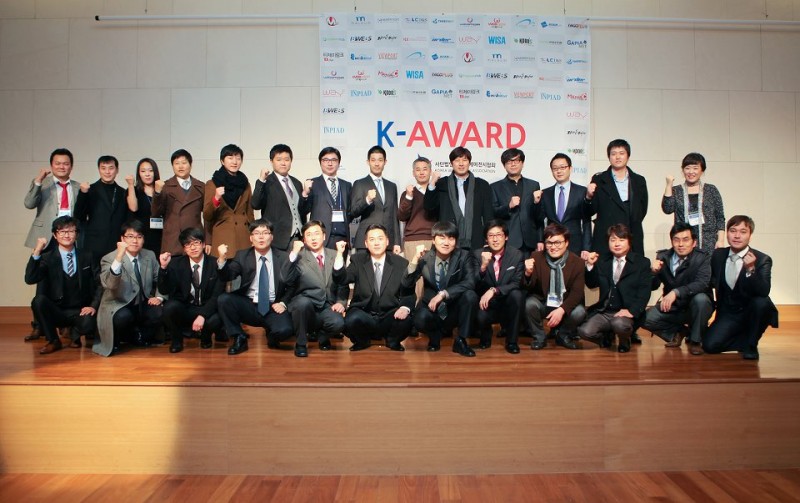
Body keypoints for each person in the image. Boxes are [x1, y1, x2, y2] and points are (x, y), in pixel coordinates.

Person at [23, 148, 80, 342]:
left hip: (68, 237)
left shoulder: (77, 187)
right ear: (51, 165)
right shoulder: (43, 184)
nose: (62, 166)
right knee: (42, 283)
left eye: (66, 163)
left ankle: (65, 323)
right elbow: (29, 203)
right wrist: (38, 181)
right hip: (46, 238)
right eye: (58, 163)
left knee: (68, 279)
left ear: (71, 166)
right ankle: (39, 325)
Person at [703, 215, 778, 360]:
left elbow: (764, 291)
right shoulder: (718, 255)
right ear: (727, 233)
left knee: (761, 302)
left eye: (743, 232)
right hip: (728, 313)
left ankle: (751, 344)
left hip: (752, 311)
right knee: (709, 346)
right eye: (733, 231)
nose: (737, 236)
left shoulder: (762, 259)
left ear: (750, 236)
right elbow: (710, 281)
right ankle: (745, 339)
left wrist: (750, 269)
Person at [332, 224, 415, 352]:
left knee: (406, 319)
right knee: (351, 320)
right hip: (364, 313)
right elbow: (342, 279)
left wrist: (404, 308)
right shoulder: (357, 260)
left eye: (380, 239)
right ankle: (362, 341)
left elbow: (408, 291)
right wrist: (339, 254)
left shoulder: (400, 263)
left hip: (390, 314)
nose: (376, 243)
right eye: (372, 239)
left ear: (387, 241)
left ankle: (392, 341)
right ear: (366, 243)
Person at [216, 219, 293, 356]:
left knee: (285, 331)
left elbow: (293, 285)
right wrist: (222, 258)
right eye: (257, 233)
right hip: (249, 304)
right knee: (224, 299)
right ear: (251, 238)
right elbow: (227, 276)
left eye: (265, 233)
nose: (261, 237)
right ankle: (239, 337)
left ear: (271, 237)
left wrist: (283, 303)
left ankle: (272, 335)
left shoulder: (283, 257)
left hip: (273, 305)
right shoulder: (242, 255)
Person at [24, 216, 100, 354]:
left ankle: (75, 334)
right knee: (38, 301)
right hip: (57, 309)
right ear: (55, 235)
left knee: (89, 323)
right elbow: (30, 278)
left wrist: (93, 306)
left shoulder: (87, 256)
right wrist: (37, 251)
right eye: (62, 231)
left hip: (80, 310)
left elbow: (99, 284)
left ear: (77, 234)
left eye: (71, 231)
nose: (66, 235)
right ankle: (53, 340)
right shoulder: (47, 257)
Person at [408, 221, 479, 356]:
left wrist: (443, 294)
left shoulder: (464, 256)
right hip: (432, 309)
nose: (446, 243)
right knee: (419, 318)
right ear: (433, 240)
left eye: (451, 238)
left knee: (471, 296)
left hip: (453, 308)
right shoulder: (425, 258)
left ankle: (461, 340)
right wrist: (414, 260)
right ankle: (434, 337)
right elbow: (407, 283)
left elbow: (470, 282)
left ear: (456, 241)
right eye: (442, 237)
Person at [95, 220, 164, 357]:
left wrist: (159, 297)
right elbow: (110, 284)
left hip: (142, 302)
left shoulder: (149, 255)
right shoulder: (109, 258)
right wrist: (119, 257)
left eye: (139, 237)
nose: (135, 241)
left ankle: (138, 335)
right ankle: (119, 338)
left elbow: (160, 279)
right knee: (123, 317)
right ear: (122, 239)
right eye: (130, 236)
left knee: (158, 311)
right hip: (118, 304)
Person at [642, 222, 713, 356]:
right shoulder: (663, 257)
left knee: (701, 299)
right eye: (676, 240)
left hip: (696, 306)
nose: (681, 244)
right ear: (672, 242)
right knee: (644, 318)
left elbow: (702, 283)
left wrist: (676, 292)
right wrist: (653, 273)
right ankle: (677, 333)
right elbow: (653, 286)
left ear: (694, 242)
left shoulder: (703, 257)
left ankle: (695, 341)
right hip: (674, 307)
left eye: (685, 240)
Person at [578, 224, 651, 353]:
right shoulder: (603, 261)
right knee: (584, 331)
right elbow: (592, 284)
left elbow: (644, 292)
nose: (617, 244)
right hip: (606, 311)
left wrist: (632, 311)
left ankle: (624, 340)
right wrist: (589, 265)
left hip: (625, 312)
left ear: (629, 242)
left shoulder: (641, 263)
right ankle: (605, 338)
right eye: (613, 240)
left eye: (621, 240)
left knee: (619, 324)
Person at [284, 221, 348, 357]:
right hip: (306, 304)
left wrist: (341, 302)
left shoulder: (335, 254)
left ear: (324, 236)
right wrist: (294, 252)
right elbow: (286, 278)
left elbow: (342, 282)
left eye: (317, 234)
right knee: (302, 303)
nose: (313, 238)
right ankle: (301, 344)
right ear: (304, 239)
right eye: (309, 235)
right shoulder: (299, 256)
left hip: (327, 305)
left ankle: (322, 336)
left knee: (339, 323)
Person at [158, 228, 226, 353]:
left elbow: (217, 295)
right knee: (169, 307)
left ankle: (206, 337)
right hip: (187, 307)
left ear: (203, 244)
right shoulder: (176, 264)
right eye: (188, 244)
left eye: (196, 243)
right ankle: (177, 340)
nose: (193, 247)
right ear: (184, 249)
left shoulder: (215, 264)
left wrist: (202, 315)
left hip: (207, 307)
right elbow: (164, 290)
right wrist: (163, 267)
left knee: (217, 319)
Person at [523, 223, 587, 350]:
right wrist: (528, 274)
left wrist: (562, 309)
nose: (553, 247)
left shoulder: (577, 262)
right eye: (549, 243)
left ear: (566, 243)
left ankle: (562, 336)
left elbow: (577, 293)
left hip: (564, 304)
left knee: (580, 312)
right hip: (544, 303)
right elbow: (528, 287)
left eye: (557, 242)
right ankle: (539, 337)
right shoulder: (536, 257)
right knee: (529, 304)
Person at [585, 139, 648, 258]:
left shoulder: (639, 180)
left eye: (621, 153)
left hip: (631, 235)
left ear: (628, 156)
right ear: (609, 157)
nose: (617, 157)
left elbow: (642, 210)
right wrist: (588, 196)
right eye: (613, 154)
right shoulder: (599, 179)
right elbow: (591, 210)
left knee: (633, 267)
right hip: (606, 236)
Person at [423, 147, 494, 250]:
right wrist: (432, 182)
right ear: (451, 163)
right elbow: (429, 207)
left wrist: (489, 240)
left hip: (476, 240)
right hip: (448, 239)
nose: (461, 164)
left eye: (464, 160)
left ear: (469, 163)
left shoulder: (482, 185)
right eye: (457, 160)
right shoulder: (442, 183)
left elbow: (488, 215)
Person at [473, 220, 525, 354]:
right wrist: (483, 267)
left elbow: (516, 283)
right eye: (491, 236)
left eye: (499, 235)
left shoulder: (516, 255)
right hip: (487, 304)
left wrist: (494, 290)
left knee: (517, 295)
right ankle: (486, 335)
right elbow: (473, 283)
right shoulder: (477, 255)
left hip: (506, 301)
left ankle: (512, 341)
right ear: (486, 239)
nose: (495, 239)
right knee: (478, 312)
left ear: (506, 237)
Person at [250, 144, 310, 251]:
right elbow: (255, 204)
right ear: (271, 161)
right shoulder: (267, 182)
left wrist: (305, 194)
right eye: (279, 159)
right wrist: (261, 180)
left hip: (298, 238)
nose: (283, 163)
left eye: (287, 159)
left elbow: (302, 210)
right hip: (277, 239)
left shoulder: (296, 183)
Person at [662, 152, 725, 252]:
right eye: (687, 168)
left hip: (708, 243)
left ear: (702, 170)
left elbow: (720, 217)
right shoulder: (677, 190)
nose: (691, 172)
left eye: (695, 168)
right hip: (684, 244)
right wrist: (669, 184)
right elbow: (667, 209)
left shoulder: (711, 190)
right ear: (683, 170)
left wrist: (720, 240)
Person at [74, 155, 129, 267]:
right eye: (103, 168)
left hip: (116, 244)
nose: (107, 172)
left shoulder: (123, 192)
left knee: (116, 275)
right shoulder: (89, 190)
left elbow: (126, 219)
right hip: (94, 244)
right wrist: (83, 194)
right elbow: (79, 216)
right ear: (99, 170)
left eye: (111, 168)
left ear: (117, 170)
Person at [534, 153, 592, 258]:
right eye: (555, 168)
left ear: (570, 168)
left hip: (575, 244)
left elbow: (586, 221)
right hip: (552, 244)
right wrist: (540, 240)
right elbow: (539, 220)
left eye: (562, 167)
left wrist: (586, 248)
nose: (559, 171)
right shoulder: (545, 193)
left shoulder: (582, 191)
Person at [151, 149, 205, 256]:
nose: (180, 166)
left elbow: (208, 216)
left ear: (190, 165)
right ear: (172, 166)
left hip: (194, 240)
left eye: (184, 163)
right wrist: (157, 193)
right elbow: (156, 213)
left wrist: (208, 241)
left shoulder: (201, 187)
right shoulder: (165, 186)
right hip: (173, 241)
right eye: (176, 163)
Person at [397, 156, 437, 302]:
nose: (421, 172)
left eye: (425, 169)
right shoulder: (408, 193)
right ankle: (413, 310)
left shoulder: (438, 192)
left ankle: (429, 310)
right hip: (413, 240)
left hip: (434, 240)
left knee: (433, 277)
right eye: (418, 169)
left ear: (430, 171)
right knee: (414, 278)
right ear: (413, 173)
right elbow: (402, 216)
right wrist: (408, 196)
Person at [204, 144, 254, 255]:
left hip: (243, 238)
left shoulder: (245, 184)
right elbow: (207, 216)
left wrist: (253, 235)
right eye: (230, 158)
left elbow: (250, 213)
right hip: (223, 237)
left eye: (238, 158)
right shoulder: (212, 184)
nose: (234, 162)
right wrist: (216, 198)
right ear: (222, 161)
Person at [350, 145, 401, 253]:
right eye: (373, 160)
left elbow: (394, 215)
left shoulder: (392, 186)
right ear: (368, 162)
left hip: (387, 241)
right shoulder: (360, 183)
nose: (377, 164)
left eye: (380, 160)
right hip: (365, 241)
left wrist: (397, 242)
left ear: (385, 162)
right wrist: (367, 200)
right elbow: (353, 211)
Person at [491, 148, 541, 254]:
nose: (513, 164)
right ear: (504, 165)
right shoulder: (495, 187)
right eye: (509, 161)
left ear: (522, 163)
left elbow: (539, 217)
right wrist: (508, 206)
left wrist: (540, 239)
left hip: (530, 242)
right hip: (508, 241)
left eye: (516, 161)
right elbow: (493, 213)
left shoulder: (533, 185)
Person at [306, 147, 353, 249]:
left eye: (334, 160)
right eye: (326, 160)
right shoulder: (312, 183)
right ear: (320, 162)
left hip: (342, 238)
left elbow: (350, 211)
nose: (330, 163)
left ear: (339, 163)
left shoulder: (347, 185)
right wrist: (305, 193)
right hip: (320, 238)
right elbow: (304, 210)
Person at [126, 158, 163, 255]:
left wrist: (159, 191)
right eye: (143, 171)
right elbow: (133, 208)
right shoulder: (134, 190)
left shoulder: (162, 190)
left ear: (155, 172)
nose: (147, 174)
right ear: (139, 174)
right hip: (140, 236)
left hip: (160, 236)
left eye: (150, 171)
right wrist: (130, 185)